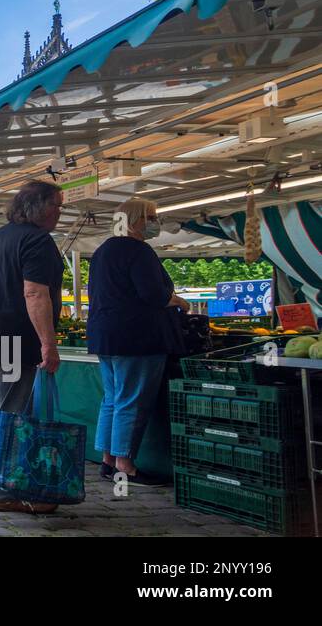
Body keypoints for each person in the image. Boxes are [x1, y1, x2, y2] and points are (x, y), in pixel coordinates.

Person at [0, 180, 65, 514]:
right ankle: (4, 491)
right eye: (56, 205)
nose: (59, 212)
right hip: (14, 338)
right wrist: (48, 344)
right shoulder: (37, 241)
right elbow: (35, 293)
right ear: (37, 207)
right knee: (13, 415)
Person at [88, 197, 188, 484]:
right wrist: (178, 301)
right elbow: (152, 295)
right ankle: (125, 464)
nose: (155, 222)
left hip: (106, 336)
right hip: (136, 337)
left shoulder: (103, 251)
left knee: (112, 399)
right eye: (151, 217)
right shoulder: (138, 251)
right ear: (135, 220)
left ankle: (107, 460)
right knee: (131, 400)